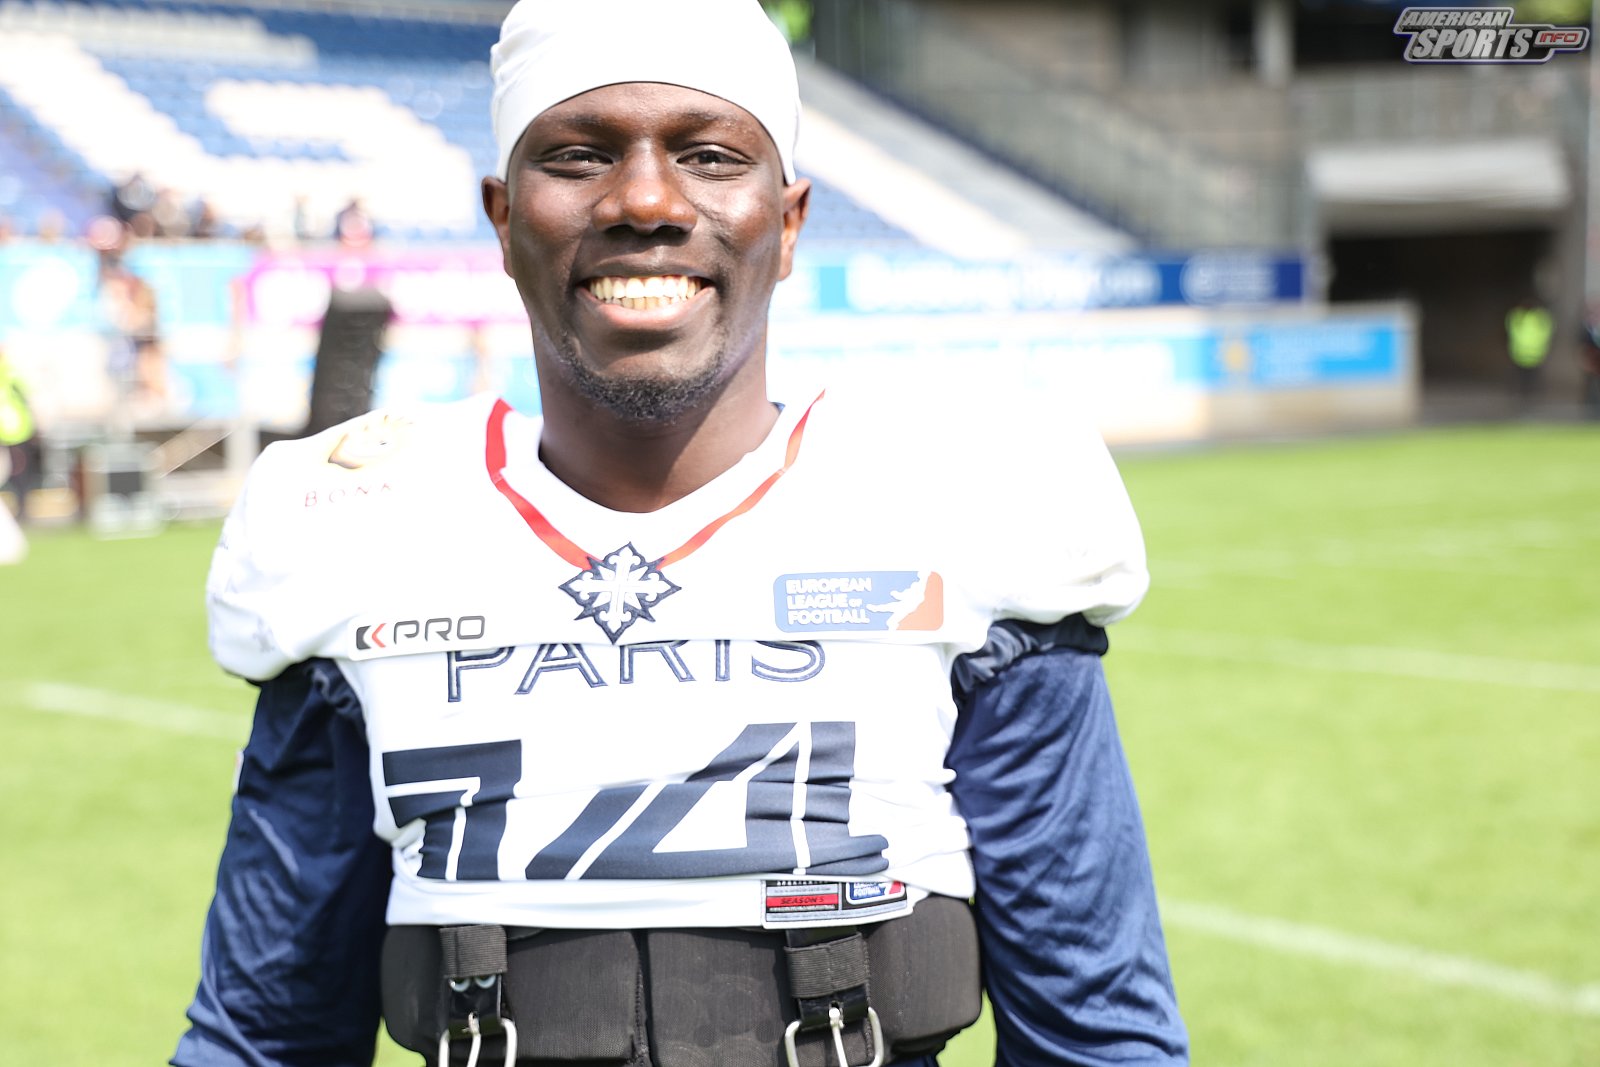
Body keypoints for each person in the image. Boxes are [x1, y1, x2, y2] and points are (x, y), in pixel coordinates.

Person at [172, 2, 1188, 1065]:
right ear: (503, 219)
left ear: (787, 223)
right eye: (579, 156)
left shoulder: (966, 501)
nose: (646, 201)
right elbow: (265, 1034)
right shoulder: (352, 527)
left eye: (709, 156)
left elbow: (1095, 1034)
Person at [0, 346, 41, 526]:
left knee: (18, 471)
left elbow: (26, 399)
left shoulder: (11, 373)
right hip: (13, 429)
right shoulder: (12, 372)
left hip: (14, 429)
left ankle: (22, 509)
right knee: (15, 472)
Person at [1505, 295, 1553, 407]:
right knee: (1523, 377)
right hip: (1522, 353)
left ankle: (1530, 396)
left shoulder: (1538, 317)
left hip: (1532, 353)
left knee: (1531, 377)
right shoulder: (1519, 317)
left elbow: (1547, 331)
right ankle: (1523, 396)